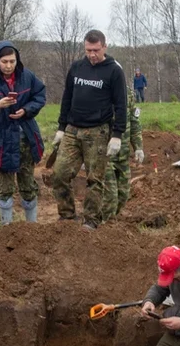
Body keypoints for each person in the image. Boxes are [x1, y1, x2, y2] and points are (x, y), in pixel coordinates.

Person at [51, 29, 128, 229]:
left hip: (98, 132)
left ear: (104, 47)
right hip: (72, 129)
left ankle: (91, 221)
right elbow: (67, 97)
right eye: (88, 50)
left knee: (95, 179)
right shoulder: (77, 67)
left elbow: (121, 104)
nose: (92, 55)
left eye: (96, 50)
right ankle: (67, 217)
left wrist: (117, 135)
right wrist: (61, 127)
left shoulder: (113, 71)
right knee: (59, 174)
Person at [0, 41, 46, 223]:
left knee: (28, 186)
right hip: (1, 141)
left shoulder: (27, 76)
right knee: (4, 188)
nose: (8, 66)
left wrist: (27, 110)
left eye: (12, 61)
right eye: (4, 61)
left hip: (25, 139)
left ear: (17, 60)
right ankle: (6, 229)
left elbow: (40, 96)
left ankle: (32, 227)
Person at [102, 86, 144, 219]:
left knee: (123, 194)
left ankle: (112, 225)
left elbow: (134, 122)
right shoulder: (99, 92)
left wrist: (138, 147)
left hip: (123, 155)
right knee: (110, 197)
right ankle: (104, 227)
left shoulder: (128, 94)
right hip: (104, 155)